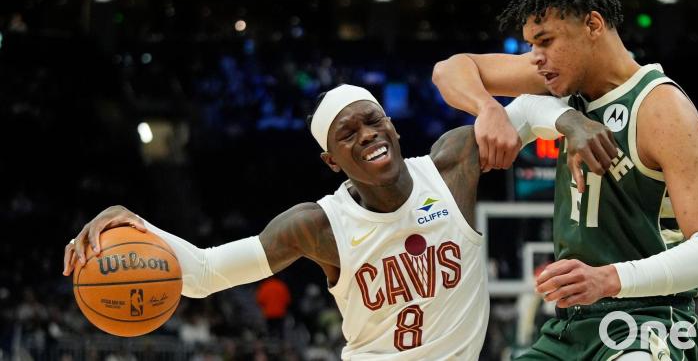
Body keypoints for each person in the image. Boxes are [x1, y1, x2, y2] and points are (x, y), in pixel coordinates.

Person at [63, 84, 612, 360]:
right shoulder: (316, 225)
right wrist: (137, 224)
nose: (366, 135)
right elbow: (205, 273)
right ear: (331, 161)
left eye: (372, 122)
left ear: (392, 126)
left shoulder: (452, 166)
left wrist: (571, 122)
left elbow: (523, 110)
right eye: (347, 135)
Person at [432, 0, 698, 360]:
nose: (536, 60)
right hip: (569, 327)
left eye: (546, 42)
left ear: (592, 24)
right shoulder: (558, 85)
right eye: (530, 46)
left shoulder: (662, 108)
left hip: (648, 321)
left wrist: (608, 279)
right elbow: (449, 70)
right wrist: (487, 107)